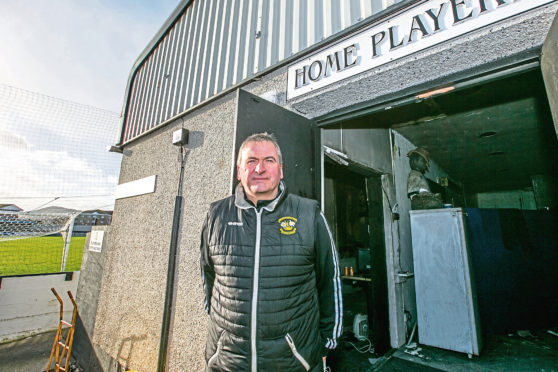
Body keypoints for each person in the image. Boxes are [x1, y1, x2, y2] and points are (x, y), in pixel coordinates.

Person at [200, 132, 343, 371]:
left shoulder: (309, 214)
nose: (260, 169)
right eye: (251, 161)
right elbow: (208, 276)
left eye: (269, 160)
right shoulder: (216, 215)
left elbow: (330, 282)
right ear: (239, 171)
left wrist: (326, 344)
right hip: (227, 362)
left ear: (281, 170)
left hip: (294, 361)